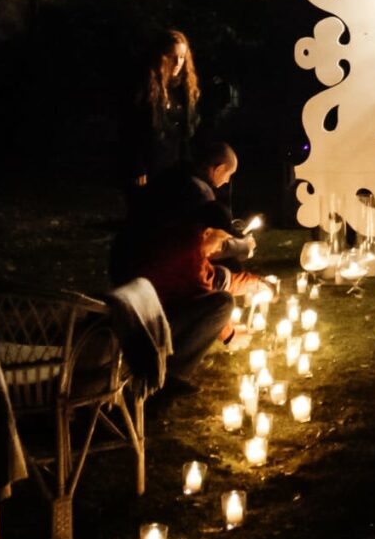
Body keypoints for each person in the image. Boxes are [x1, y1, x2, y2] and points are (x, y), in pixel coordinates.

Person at [109, 140, 262, 388]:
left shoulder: (178, 192)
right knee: (221, 304)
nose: (218, 249)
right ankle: (171, 376)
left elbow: (209, 273)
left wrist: (251, 283)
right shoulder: (193, 212)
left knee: (220, 282)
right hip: (144, 314)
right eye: (220, 241)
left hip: (133, 286)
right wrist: (230, 335)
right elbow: (201, 287)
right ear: (206, 231)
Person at [119, 30, 209, 228]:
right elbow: (131, 130)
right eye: (172, 57)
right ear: (160, 56)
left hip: (172, 164)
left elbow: (185, 132)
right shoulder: (145, 89)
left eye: (182, 57)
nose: (178, 63)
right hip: (149, 163)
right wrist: (138, 166)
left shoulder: (182, 90)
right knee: (145, 219)